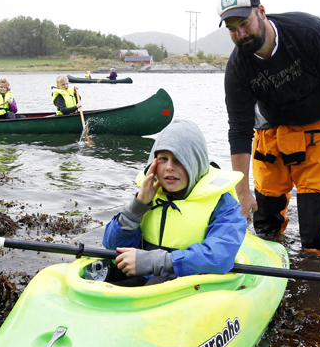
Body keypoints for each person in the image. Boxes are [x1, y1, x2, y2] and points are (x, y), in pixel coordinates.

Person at [217, 0, 320, 256]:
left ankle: (315, 274)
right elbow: (239, 129)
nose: (241, 34)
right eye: (232, 29)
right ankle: (274, 265)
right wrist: (242, 190)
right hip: (273, 130)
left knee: (314, 230)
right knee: (265, 223)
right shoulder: (238, 68)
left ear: (260, 12)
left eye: (244, 23)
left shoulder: (309, 32)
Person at [102, 118, 247, 284]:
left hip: (190, 285)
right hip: (148, 277)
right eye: (163, 159)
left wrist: (152, 262)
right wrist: (137, 208)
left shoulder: (223, 204)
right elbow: (112, 246)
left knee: (154, 282)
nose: (169, 167)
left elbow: (219, 257)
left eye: (179, 159)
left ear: (195, 163)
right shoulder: (150, 194)